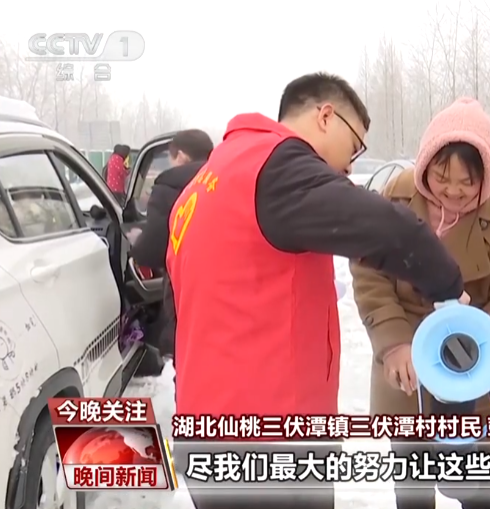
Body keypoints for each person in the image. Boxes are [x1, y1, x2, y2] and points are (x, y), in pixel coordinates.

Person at [166, 73, 467, 509]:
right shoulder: (276, 168)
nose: (350, 165)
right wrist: (448, 286)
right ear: (326, 116)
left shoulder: (204, 183)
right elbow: (387, 229)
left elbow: (178, 313)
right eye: (355, 146)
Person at [352, 97, 490, 509]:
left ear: (487, 175)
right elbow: (370, 275)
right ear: (425, 165)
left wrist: (476, 347)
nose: (452, 190)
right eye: (440, 177)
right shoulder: (395, 198)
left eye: (467, 182)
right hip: (408, 363)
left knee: (478, 489)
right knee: (412, 485)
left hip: (473, 365)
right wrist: (395, 343)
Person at [129, 129, 214, 373]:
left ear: (182, 156)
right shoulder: (226, 181)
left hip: (187, 294)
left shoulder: (169, 187)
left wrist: (137, 242)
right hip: (226, 296)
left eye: (172, 159)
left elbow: (153, 249)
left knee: (191, 368)